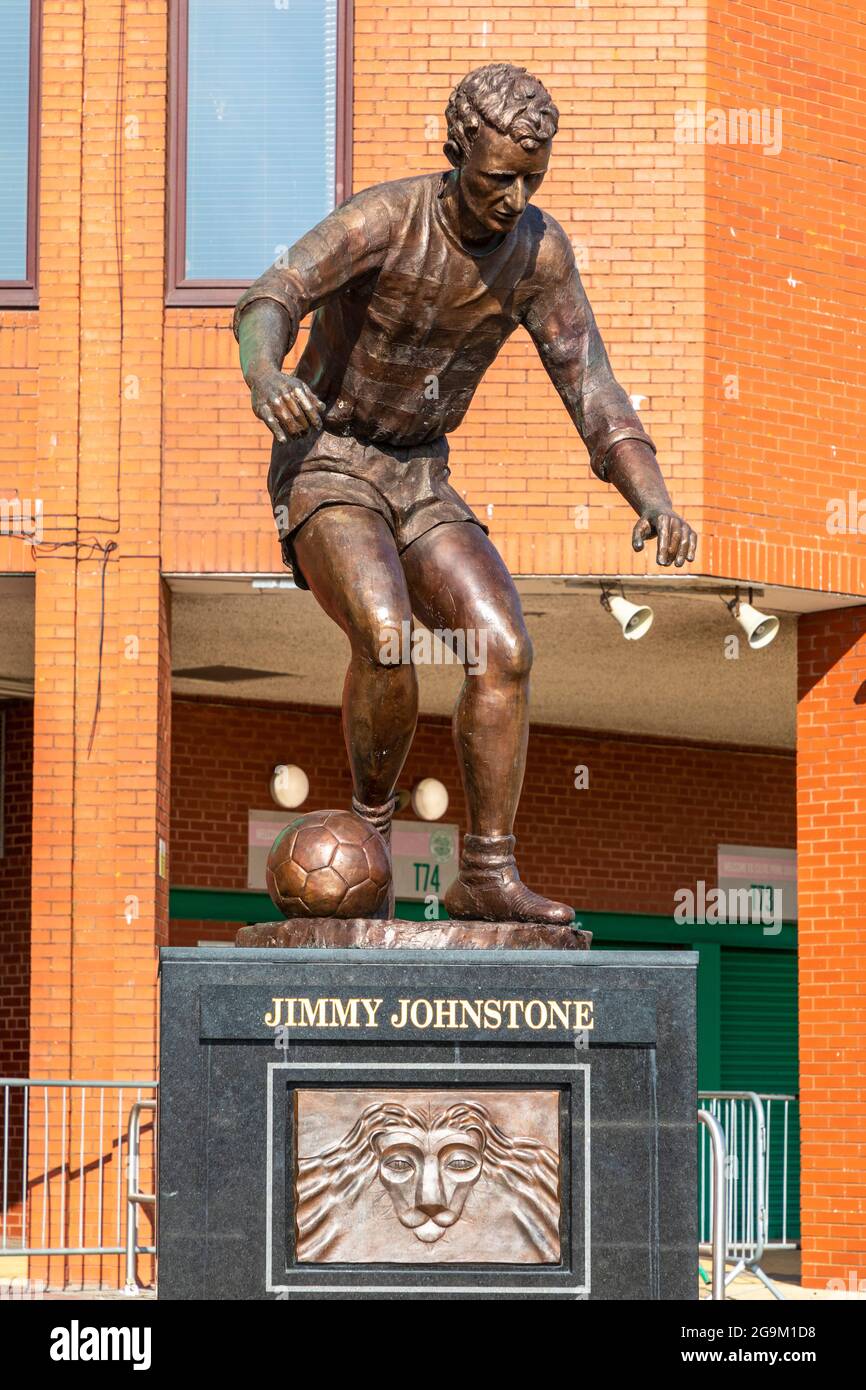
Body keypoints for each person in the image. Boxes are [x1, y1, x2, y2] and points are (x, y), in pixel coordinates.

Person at [235, 63, 697, 925]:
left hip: (420, 475)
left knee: (505, 649)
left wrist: (654, 499)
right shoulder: (385, 218)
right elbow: (271, 296)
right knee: (386, 636)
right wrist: (264, 374)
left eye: (532, 180)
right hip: (328, 460)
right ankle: (372, 829)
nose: (515, 198)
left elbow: (593, 389)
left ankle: (484, 872)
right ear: (456, 152)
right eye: (497, 180)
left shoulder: (538, 253)